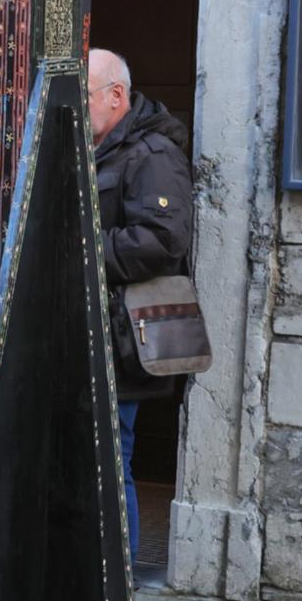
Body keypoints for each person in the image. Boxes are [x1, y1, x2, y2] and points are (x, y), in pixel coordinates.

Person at [86, 47, 193, 560]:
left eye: (82, 96)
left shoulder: (152, 154)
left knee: (111, 460)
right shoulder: (96, 147)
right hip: (88, 331)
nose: (74, 108)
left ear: (116, 95)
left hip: (122, 337)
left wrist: (83, 247)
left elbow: (163, 240)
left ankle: (116, 582)